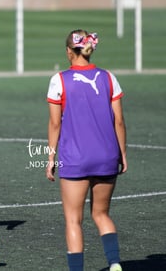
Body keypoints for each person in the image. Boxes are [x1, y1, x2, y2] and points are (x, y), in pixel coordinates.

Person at [46, 30, 127, 271]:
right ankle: (114, 264)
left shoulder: (59, 80)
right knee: (101, 214)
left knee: (73, 219)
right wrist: (122, 153)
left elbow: (54, 123)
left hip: (75, 160)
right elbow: (119, 121)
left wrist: (50, 157)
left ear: (69, 52)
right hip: (107, 157)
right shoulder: (109, 77)